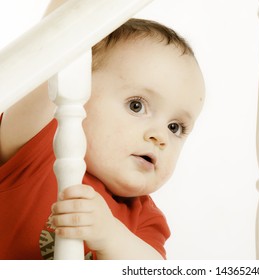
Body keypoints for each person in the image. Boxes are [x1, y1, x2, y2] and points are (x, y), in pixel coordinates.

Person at [0, 0, 205, 260]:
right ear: (77, 90)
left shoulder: (144, 218)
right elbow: (53, 40)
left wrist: (110, 236)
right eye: (136, 105)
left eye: (175, 127)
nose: (160, 136)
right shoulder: (36, 148)